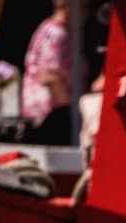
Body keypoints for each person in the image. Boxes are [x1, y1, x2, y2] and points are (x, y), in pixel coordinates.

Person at [21, 0, 74, 146]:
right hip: (51, 117)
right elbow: (50, 77)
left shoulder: (53, 30)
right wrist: (70, 118)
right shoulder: (56, 34)